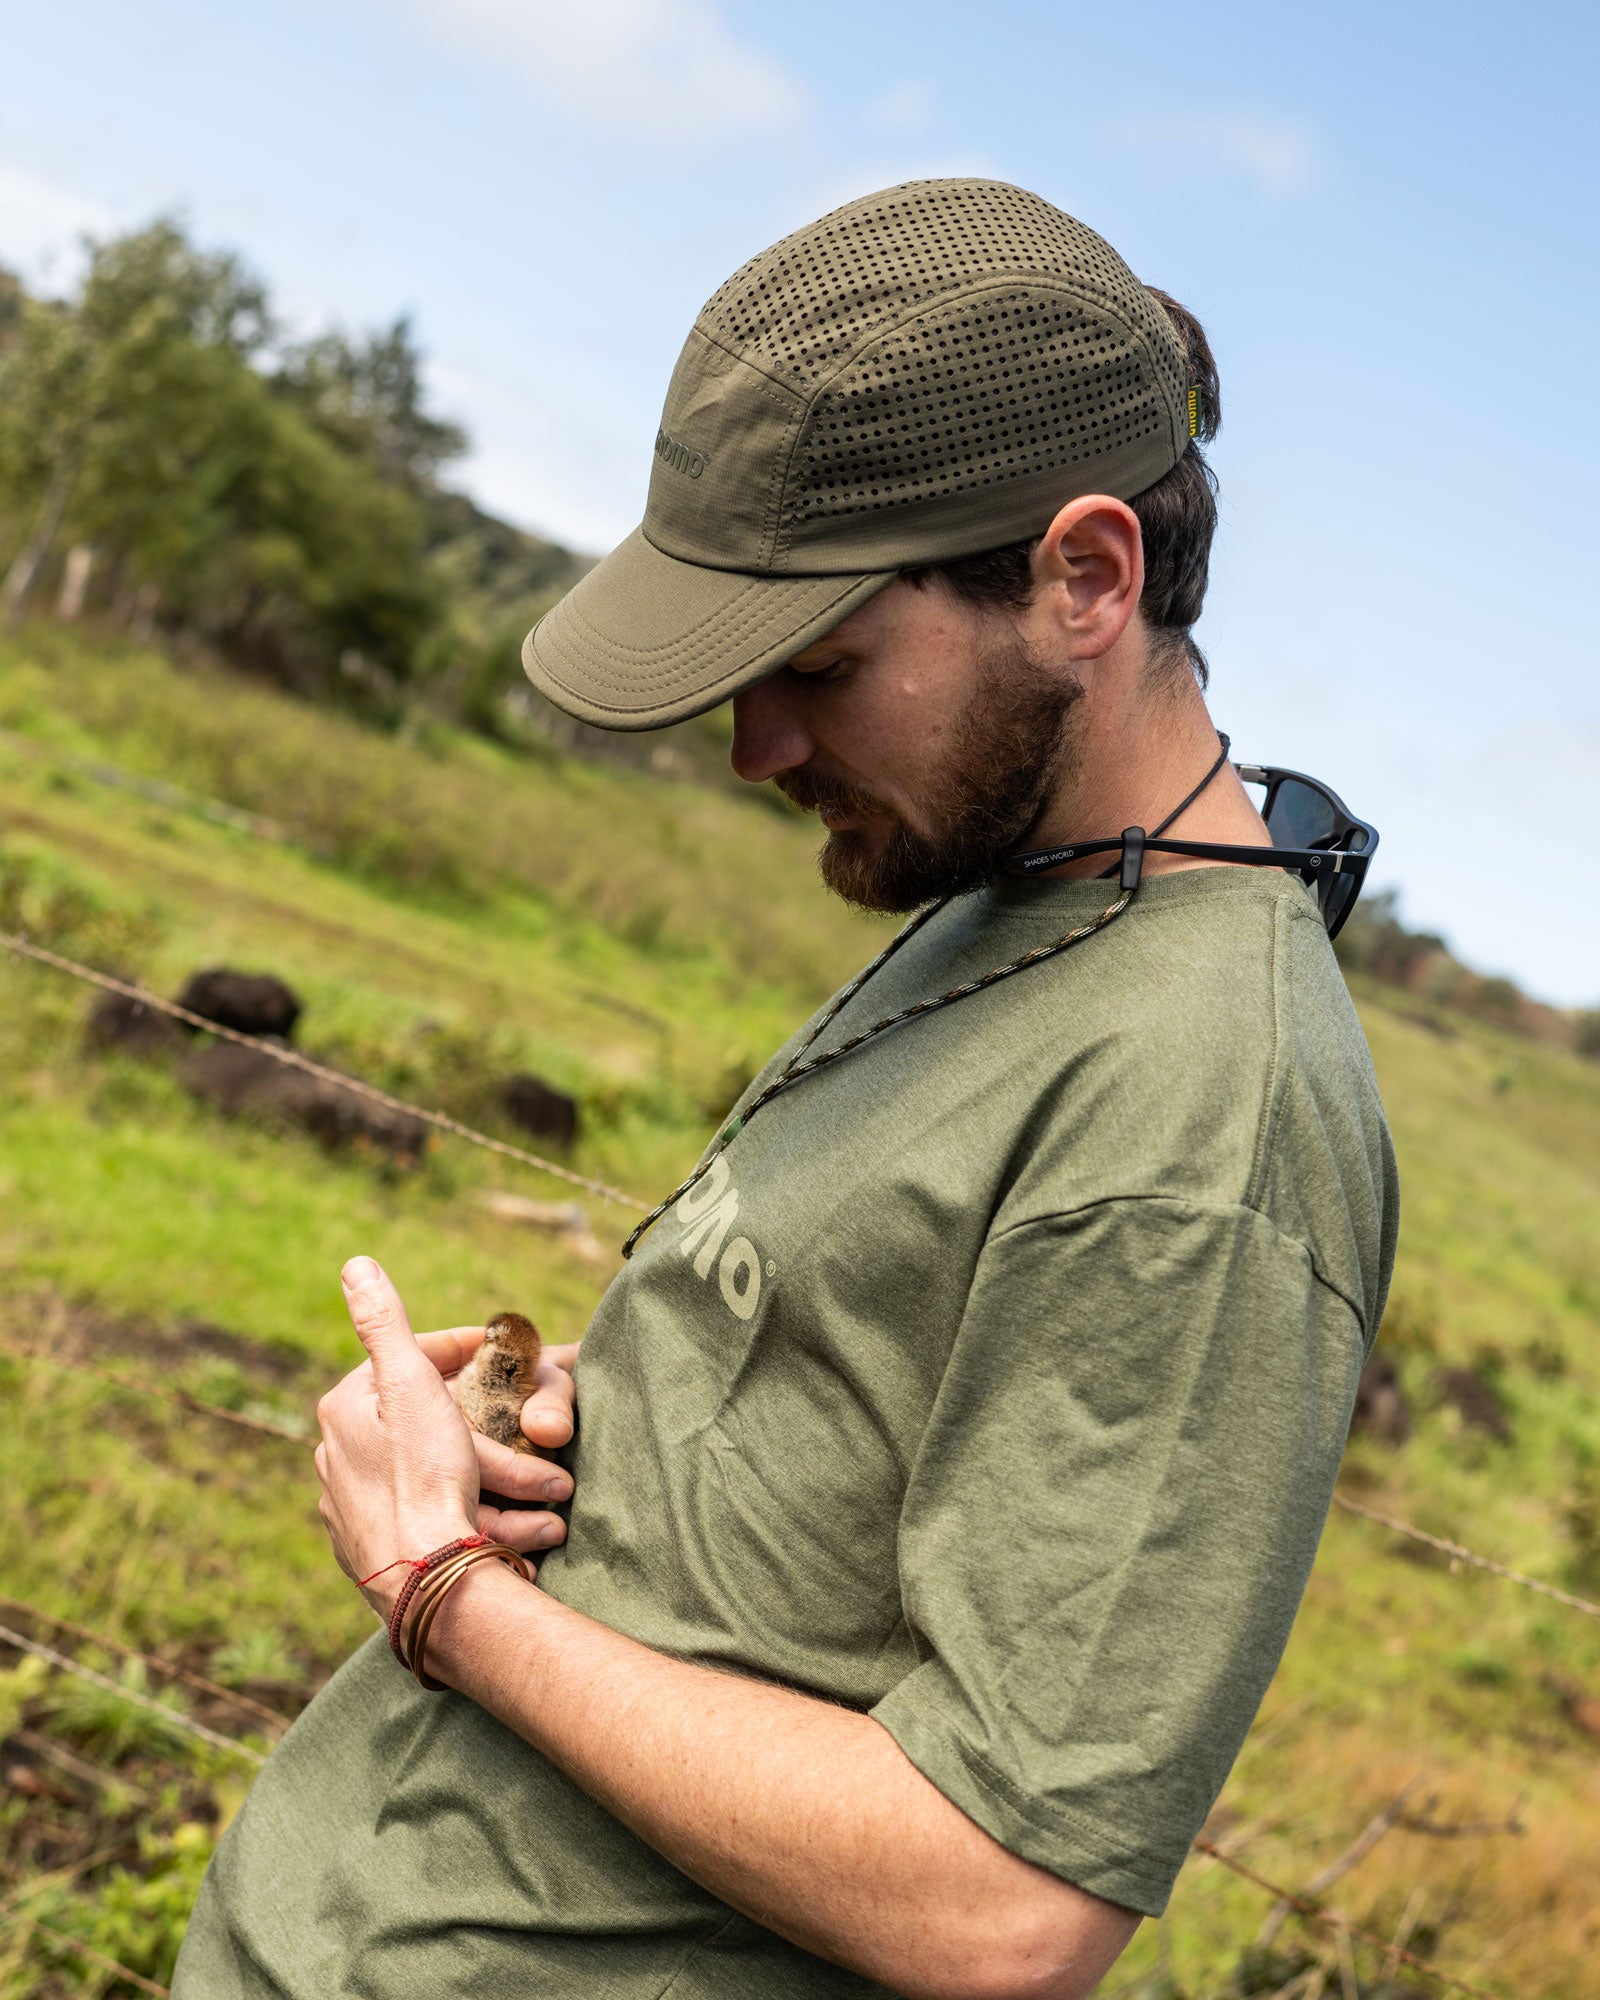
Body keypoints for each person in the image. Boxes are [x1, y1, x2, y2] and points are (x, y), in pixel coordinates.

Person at [174, 179, 1397, 2000]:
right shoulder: (1023, 893)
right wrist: (572, 1423)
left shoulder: (1208, 1111)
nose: (755, 747)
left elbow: (999, 1906)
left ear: (1083, 578)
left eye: (819, 667)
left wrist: (437, 1585)